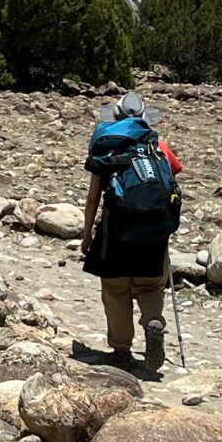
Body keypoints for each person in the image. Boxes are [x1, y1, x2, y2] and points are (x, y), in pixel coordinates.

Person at [82, 91, 182, 375]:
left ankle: (122, 350)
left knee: (115, 291)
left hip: (116, 231)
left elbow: (92, 198)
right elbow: (171, 181)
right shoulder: (158, 145)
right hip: (155, 232)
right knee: (150, 286)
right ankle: (153, 320)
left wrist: (87, 234)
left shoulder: (107, 148)